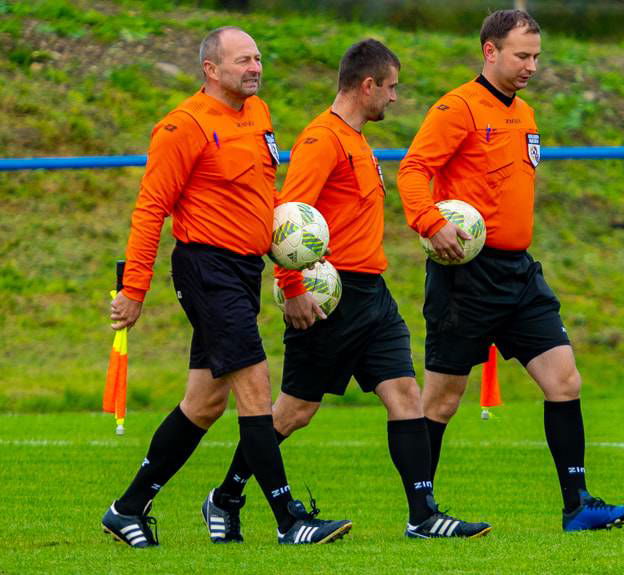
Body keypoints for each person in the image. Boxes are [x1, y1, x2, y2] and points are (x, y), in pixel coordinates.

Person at [203, 39, 491, 541]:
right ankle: (225, 496)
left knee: (405, 396)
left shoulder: (359, 140)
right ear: (367, 85)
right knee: (294, 412)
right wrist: (292, 288)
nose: (396, 98)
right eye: (392, 87)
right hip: (329, 297)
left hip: (373, 295)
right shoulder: (322, 140)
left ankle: (423, 515)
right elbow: (286, 222)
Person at [101, 26, 351, 548]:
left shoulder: (258, 116)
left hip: (243, 272)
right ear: (211, 70)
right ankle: (289, 520)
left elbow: (266, 201)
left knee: (203, 404)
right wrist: (135, 290)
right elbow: (150, 210)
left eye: (258, 57)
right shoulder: (182, 127)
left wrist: (291, 269)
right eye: (242, 60)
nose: (255, 67)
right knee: (256, 389)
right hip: (205, 270)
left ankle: (126, 509)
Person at [397, 10, 624, 532]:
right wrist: (429, 220)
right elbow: (415, 168)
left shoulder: (525, 113)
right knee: (441, 400)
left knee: (565, 380)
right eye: (521, 55)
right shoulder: (457, 107)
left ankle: (577, 505)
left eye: (536, 56)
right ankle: (422, 515)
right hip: (466, 276)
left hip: (519, 275)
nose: (531, 65)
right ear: (490, 51)